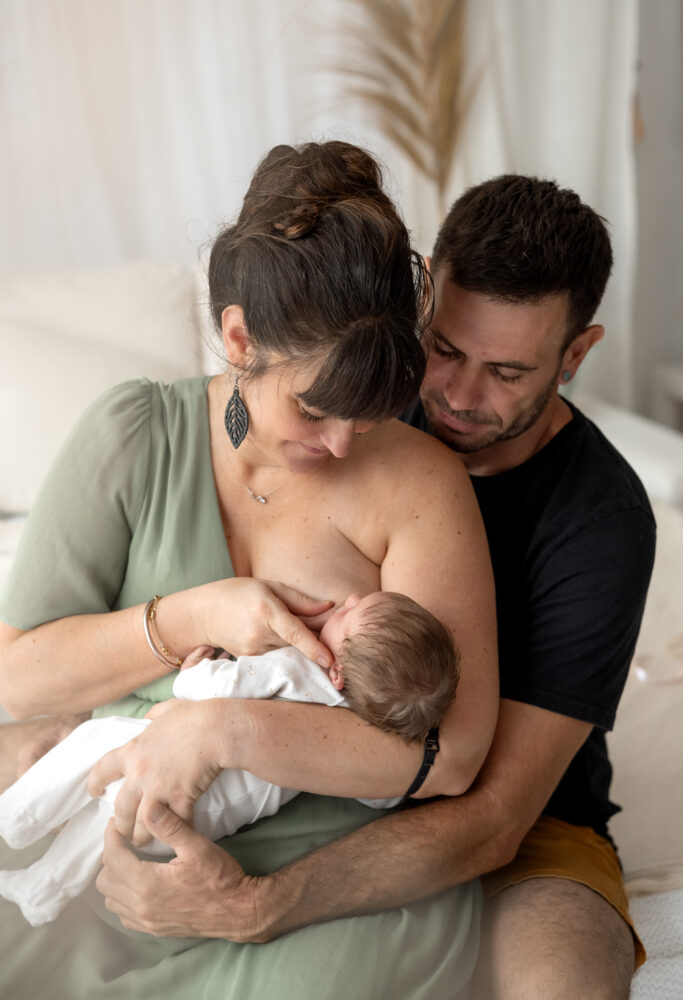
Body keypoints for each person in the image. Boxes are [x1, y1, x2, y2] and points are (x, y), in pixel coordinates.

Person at [84, 175, 654, 1000]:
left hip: (520, 821)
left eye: (506, 371)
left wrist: (262, 905)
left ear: (576, 353)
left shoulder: (601, 520)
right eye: (446, 349)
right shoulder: (351, 413)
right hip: (309, 783)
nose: (457, 397)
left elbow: (492, 815)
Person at [0, 142, 497, 999]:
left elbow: (448, 754)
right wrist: (198, 616)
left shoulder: (420, 482)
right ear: (239, 336)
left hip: (322, 882)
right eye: (314, 407)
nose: (341, 443)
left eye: (368, 416)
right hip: (108, 832)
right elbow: (19, 677)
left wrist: (221, 733)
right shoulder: (131, 438)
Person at [0, 590, 459, 926]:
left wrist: (197, 668)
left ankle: (15, 815)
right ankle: (44, 889)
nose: (351, 597)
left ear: (336, 670)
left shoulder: (299, 669)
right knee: (106, 825)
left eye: (353, 613)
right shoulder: (358, 730)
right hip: (205, 823)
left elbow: (211, 692)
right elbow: (379, 796)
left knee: (94, 738)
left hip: (183, 775)